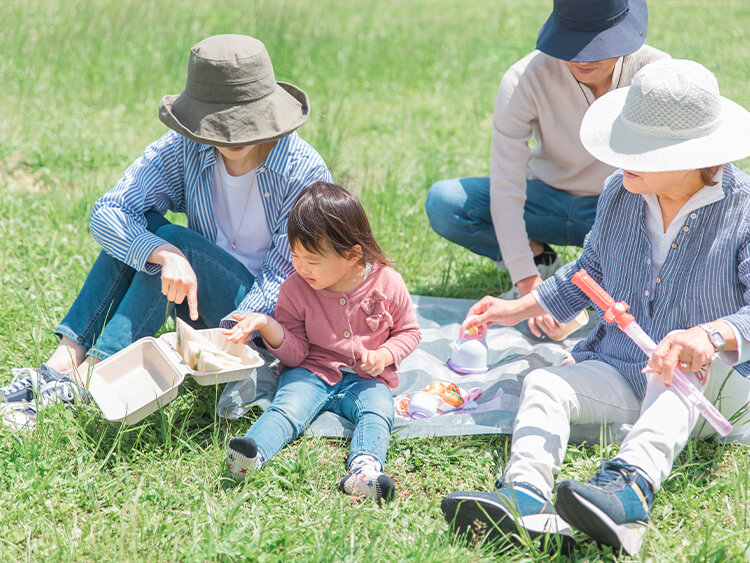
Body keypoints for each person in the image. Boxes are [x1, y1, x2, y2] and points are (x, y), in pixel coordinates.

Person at [441, 59, 750, 555]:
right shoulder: (619, 192)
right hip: (622, 366)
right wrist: (519, 307)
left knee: (680, 379)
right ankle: (524, 495)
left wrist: (710, 335)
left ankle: (628, 489)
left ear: (696, 155)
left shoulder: (743, 209)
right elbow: (592, 272)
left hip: (706, 387)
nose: (622, 155)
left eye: (640, 149)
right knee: (544, 382)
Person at [0, 35, 331, 420]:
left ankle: (94, 374)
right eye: (219, 124)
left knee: (173, 240)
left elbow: (282, 280)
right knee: (151, 236)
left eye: (242, 123)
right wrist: (162, 254)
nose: (232, 137)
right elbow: (109, 211)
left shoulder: (302, 170)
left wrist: (222, 337)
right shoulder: (186, 146)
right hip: (192, 301)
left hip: (261, 323)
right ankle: (61, 364)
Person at [425, 0, 668, 338]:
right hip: (546, 202)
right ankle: (543, 261)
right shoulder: (525, 77)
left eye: (598, 45)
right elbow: (507, 184)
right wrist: (528, 284)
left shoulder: (657, 76)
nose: (583, 58)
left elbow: (674, 183)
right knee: (446, 202)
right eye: (573, 43)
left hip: (623, 210)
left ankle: (601, 277)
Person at [223, 182, 421, 502]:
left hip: (366, 379)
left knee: (378, 410)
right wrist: (269, 326)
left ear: (353, 253)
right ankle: (250, 455)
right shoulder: (295, 289)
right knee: (287, 409)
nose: (301, 267)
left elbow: (410, 332)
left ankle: (364, 471)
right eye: (295, 255)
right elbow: (297, 353)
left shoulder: (387, 283)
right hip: (311, 371)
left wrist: (384, 354)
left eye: (312, 260)